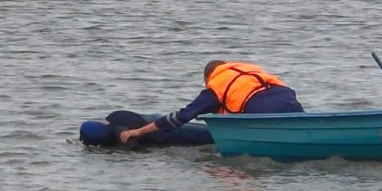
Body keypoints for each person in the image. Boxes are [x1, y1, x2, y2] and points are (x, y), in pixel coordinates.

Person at [119, 60, 304, 144]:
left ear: (208, 78)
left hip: (265, 116)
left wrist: (140, 131)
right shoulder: (250, 72)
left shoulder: (215, 87)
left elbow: (182, 117)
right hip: (293, 105)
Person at [80, 110, 214, 149]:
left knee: (211, 134)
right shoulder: (112, 116)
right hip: (155, 119)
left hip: (163, 130)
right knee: (208, 132)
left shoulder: (119, 131)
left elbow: (133, 146)